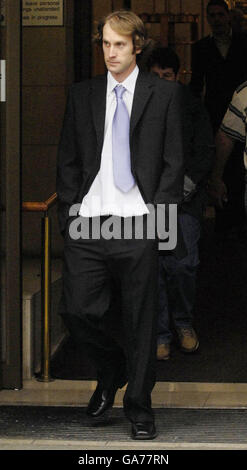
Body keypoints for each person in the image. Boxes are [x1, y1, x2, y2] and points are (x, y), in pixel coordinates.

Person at [56, 11, 184, 440]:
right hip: (90, 222)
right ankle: (112, 370)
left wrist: (158, 223)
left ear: (138, 46)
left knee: (142, 322)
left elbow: (172, 163)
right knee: (75, 310)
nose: (110, 52)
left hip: (138, 222)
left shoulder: (163, 94)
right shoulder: (82, 94)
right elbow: (68, 161)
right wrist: (71, 213)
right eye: (106, 44)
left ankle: (140, 407)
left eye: (119, 44)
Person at [147, 46, 214, 360]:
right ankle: (161, 333)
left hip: (184, 201)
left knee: (183, 265)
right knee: (154, 267)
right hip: (148, 202)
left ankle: (183, 322)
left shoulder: (191, 106)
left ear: (178, 76)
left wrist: (184, 186)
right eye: (156, 75)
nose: (161, 81)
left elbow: (204, 148)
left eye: (167, 76)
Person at [190, 0, 247, 241]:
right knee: (220, 164)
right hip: (215, 111)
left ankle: (239, 217)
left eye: (220, 15)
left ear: (228, 16)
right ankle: (225, 219)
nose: (216, 19)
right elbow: (197, 82)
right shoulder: (202, 47)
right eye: (211, 15)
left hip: (243, 108)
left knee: (240, 164)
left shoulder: (244, 42)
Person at [209, 81, 247, 215]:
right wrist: (216, 177)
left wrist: (216, 177)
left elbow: (225, 138)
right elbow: (225, 137)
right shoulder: (244, 92)